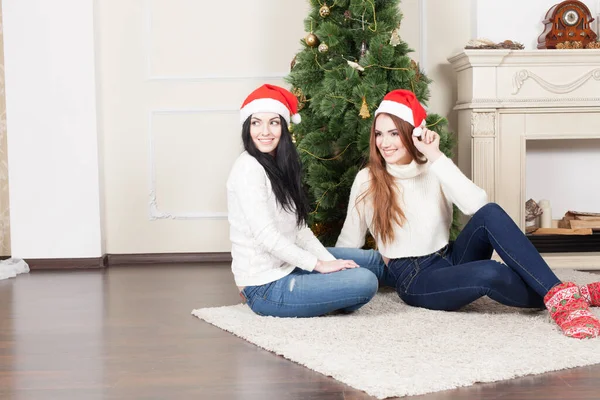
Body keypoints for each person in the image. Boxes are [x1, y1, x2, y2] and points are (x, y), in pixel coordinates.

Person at [335, 88, 600, 339]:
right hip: (415, 277)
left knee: (491, 214)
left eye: (393, 133)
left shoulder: (433, 166)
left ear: (411, 133)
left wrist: (435, 156)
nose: (384, 142)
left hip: (449, 256)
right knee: (489, 273)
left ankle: (561, 297)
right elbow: (350, 239)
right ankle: (568, 296)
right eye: (379, 134)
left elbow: (477, 204)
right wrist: (336, 278)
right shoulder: (367, 179)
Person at [227, 84, 379, 318]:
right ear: (247, 127)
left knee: (370, 260)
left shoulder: (280, 165)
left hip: (288, 265)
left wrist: (331, 265)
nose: (265, 131)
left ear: (284, 127)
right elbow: (267, 237)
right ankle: (335, 294)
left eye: (273, 123)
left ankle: (413, 278)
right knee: (365, 280)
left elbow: (300, 231)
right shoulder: (248, 168)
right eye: (256, 122)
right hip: (264, 287)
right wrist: (319, 266)